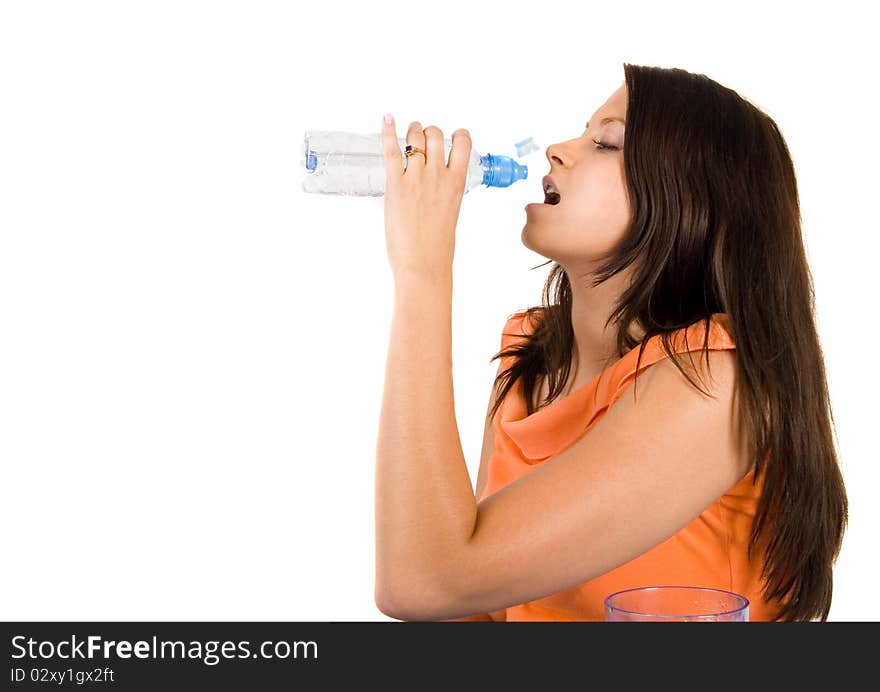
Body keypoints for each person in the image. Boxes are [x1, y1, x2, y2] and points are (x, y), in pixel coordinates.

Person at [374, 63, 848, 622]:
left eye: (606, 143)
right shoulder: (533, 354)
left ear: (687, 200)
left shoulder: (715, 382)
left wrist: (423, 272)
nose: (557, 149)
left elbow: (426, 581)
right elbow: (474, 609)